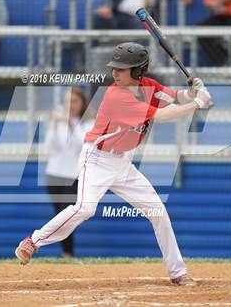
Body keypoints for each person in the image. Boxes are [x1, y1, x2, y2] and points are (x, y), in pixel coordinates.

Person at [15, 42, 213, 285]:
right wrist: (198, 103)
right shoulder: (116, 95)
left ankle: (178, 272)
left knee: (158, 212)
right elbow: (161, 115)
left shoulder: (148, 86)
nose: (114, 73)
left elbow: (174, 97)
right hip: (97, 159)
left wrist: (193, 91)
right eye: (114, 68)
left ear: (138, 71)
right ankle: (33, 241)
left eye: (122, 69)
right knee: (85, 208)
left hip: (122, 162)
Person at [44, 88, 94, 257]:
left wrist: (70, 124)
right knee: (59, 213)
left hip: (74, 176)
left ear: (82, 104)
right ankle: (67, 253)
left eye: (74, 101)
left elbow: (82, 145)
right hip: (55, 174)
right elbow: (51, 146)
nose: (69, 105)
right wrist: (54, 123)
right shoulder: (57, 121)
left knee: (67, 213)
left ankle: (67, 253)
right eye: (67, 101)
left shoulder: (88, 123)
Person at [197, 0, 231, 66]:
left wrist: (221, 0)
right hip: (222, 16)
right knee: (201, 30)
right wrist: (215, 6)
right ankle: (223, 64)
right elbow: (208, 1)